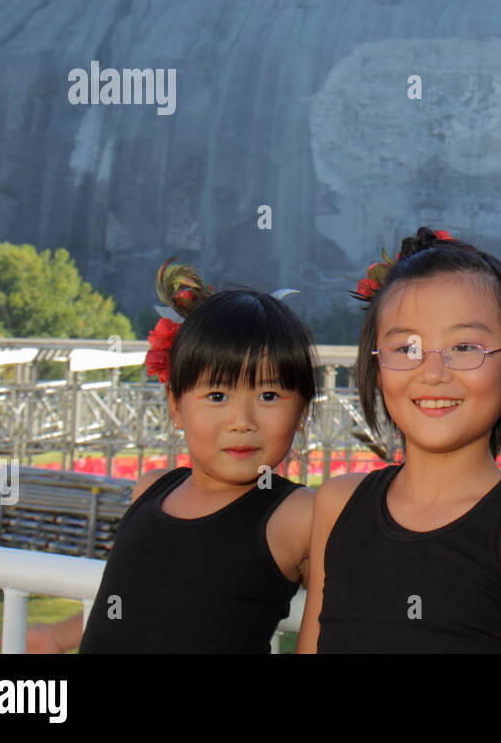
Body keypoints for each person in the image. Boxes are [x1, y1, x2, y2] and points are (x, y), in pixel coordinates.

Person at [299, 227, 501, 653]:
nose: (433, 373)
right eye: (406, 348)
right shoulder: (336, 506)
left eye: (465, 346)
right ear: (377, 367)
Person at [27, 258, 318, 653]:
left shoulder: (298, 515)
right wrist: (56, 637)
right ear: (176, 406)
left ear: (301, 411)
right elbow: (129, 602)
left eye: (269, 396)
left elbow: (338, 623)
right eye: (217, 396)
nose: (242, 421)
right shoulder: (150, 490)